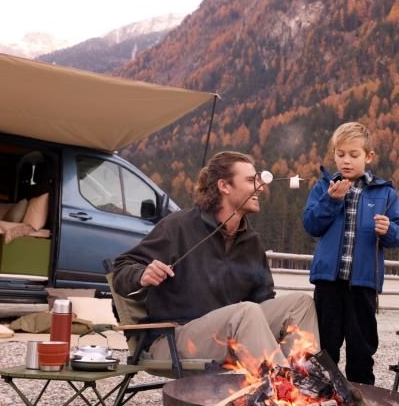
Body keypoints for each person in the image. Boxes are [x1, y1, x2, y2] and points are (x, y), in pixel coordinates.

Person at [112, 150, 319, 367]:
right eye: (251, 180)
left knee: (300, 304)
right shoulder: (178, 226)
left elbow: (263, 299)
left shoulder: (251, 241)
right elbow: (120, 270)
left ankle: (305, 378)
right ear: (224, 186)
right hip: (174, 338)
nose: (260, 187)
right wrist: (142, 274)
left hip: (227, 332)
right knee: (246, 312)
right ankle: (280, 384)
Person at [302, 122, 399, 385]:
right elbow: (311, 225)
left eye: (353, 154)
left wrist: (388, 230)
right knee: (325, 346)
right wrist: (331, 201)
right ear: (334, 155)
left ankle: (361, 397)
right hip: (328, 282)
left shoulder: (386, 193)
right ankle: (322, 395)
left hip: (363, 283)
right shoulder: (323, 188)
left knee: (361, 347)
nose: (346, 161)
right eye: (340, 154)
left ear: (368, 156)